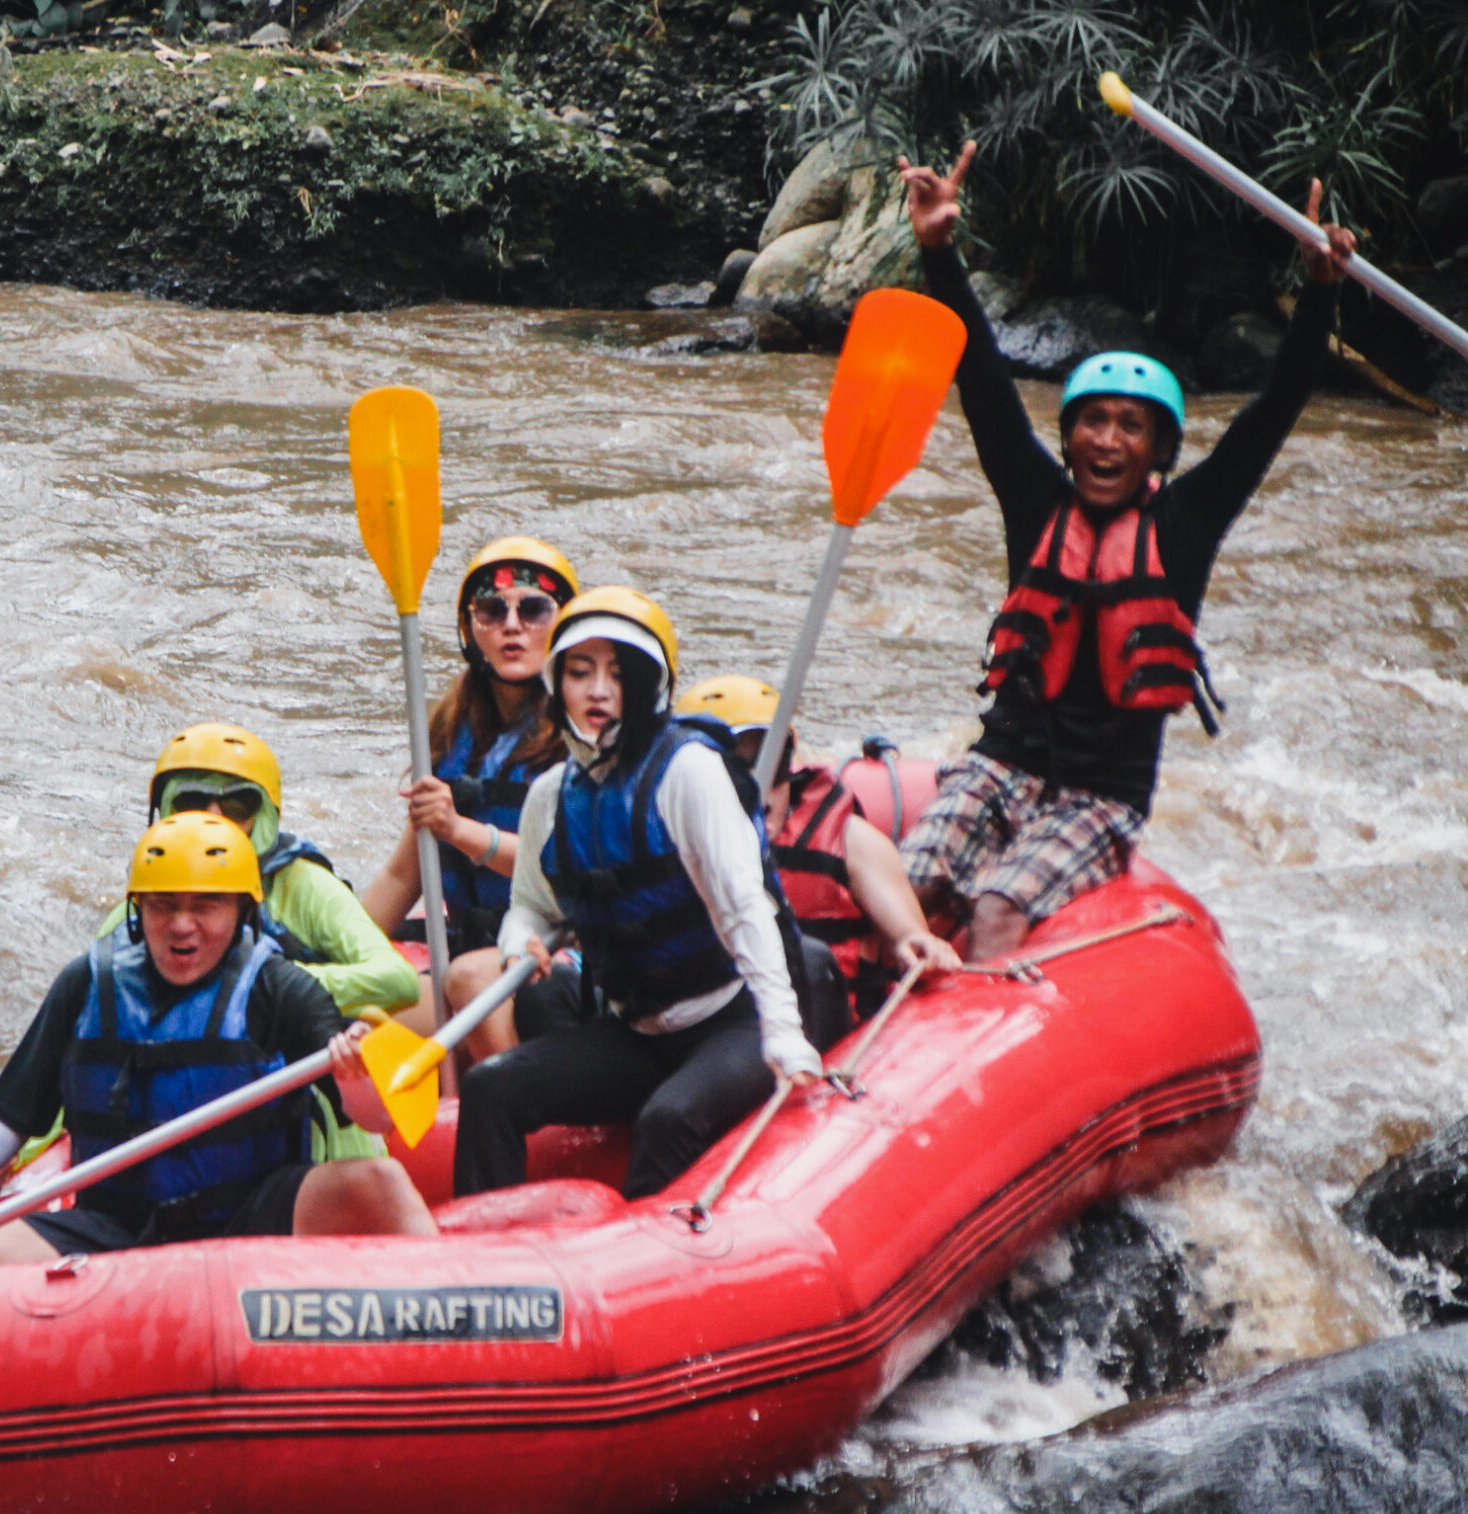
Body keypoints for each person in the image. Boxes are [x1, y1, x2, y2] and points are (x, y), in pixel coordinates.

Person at [893, 142, 1358, 961]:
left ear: (1158, 449)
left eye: (1129, 425)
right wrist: (939, 250)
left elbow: (1275, 410)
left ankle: (997, 1057)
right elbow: (982, 380)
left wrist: (1320, 294)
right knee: (913, 888)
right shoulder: (1035, 500)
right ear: (1069, 437)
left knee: (997, 910)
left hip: (1099, 798)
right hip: (1004, 764)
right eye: (1091, 420)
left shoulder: (1186, 523)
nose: (1106, 439)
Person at [0, 813, 437, 1269]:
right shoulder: (85, 984)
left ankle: (461, 1316)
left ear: (241, 912)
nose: (182, 925)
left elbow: (376, 1120)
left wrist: (358, 1079)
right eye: (164, 906)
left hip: (251, 1212)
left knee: (379, 1181)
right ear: (138, 912)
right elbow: (6, 1119)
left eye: (205, 906)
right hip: (116, 1225)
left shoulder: (279, 988)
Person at [452, 588, 821, 1202]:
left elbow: (745, 908)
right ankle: (482, 1262)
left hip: (734, 1020)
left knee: (665, 1121)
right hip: (636, 1031)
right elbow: (532, 907)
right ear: (557, 683)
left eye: (618, 674)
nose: (597, 690)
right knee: (491, 1089)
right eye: (579, 672)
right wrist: (520, 945)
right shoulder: (551, 794)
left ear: (649, 685)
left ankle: (646, 1270)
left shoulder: (688, 772)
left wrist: (783, 1030)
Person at [360, 536, 579, 1063]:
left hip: (551, 955)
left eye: (533, 610)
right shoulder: (451, 727)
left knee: (469, 977)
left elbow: (564, 867)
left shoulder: (583, 730)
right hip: (466, 953)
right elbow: (401, 875)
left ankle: (520, 1110)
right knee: (352, 1020)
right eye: (491, 610)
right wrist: (339, 960)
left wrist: (461, 831)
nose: (511, 625)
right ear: (470, 629)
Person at [676, 675, 961, 1032]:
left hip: (825, 1033)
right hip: (713, 1031)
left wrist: (916, 945)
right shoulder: (658, 835)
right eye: (734, 770)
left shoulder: (851, 839)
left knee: (807, 958)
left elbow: (909, 938)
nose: (759, 788)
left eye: (773, 763)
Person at [129, 723, 419, 1024]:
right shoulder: (149, 880)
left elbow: (397, 980)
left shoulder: (305, 885)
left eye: (236, 804)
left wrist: (260, 985)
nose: (214, 817)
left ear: (263, 814)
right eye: (192, 802)